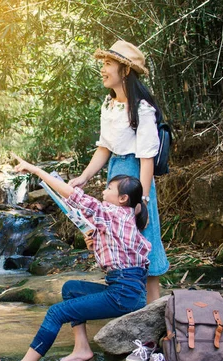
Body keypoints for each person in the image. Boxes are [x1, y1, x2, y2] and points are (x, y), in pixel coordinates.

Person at [0, 154, 150, 361]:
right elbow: (119, 261)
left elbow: (74, 196)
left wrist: (36, 170)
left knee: (56, 312)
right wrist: (94, 244)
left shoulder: (112, 213)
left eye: (109, 189)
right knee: (71, 288)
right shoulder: (122, 217)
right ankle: (81, 348)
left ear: (123, 198)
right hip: (128, 289)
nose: (104, 192)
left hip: (123, 293)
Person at [68, 40, 169, 303]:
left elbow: (147, 160)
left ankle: (156, 318)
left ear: (125, 71)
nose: (102, 69)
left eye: (108, 64)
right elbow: (104, 148)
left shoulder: (142, 110)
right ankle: (130, 311)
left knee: (143, 243)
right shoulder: (110, 105)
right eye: (103, 63)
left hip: (135, 182)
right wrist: (84, 177)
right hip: (116, 176)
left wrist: (142, 202)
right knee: (122, 246)